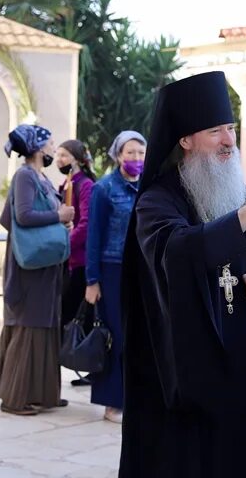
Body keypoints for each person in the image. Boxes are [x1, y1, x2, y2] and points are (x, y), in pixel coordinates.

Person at [119, 71, 246, 478]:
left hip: (239, 356)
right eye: (215, 130)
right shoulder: (156, 200)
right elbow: (179, 253)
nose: (229, 140)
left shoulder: (239, 193)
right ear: (185, 139)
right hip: (185, 368)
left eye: (231, 128)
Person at [0, 124, 75, 416]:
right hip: (30, 268)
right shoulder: (25, 175)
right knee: (30, 324)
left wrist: (60, 221)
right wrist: (58, 215)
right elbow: (22, 216)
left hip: (43, 266)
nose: (53, 148)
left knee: (44, 323)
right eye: (49, 143)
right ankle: (15, 397)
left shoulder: (39, 176)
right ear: (37, 148)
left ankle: (41, 393)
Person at [85, 130, 146, 424]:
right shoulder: (104, 188)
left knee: (136, 336)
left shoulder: (149, 186)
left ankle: (133, 397)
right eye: (130, 152)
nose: (136, 158)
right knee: (114, 335)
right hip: (112, 270)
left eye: (140, 153)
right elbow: (93, 237)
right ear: (119, 155)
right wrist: (92, 280)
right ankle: (111, 402)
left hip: (141, 269)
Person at [55, 139, 97, 386]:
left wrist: (65, 243)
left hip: (79, 261)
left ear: (78, 159)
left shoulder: (86, 185)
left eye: (64, 155)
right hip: (65, 258)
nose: (60, 160)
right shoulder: (65, 184)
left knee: (80, 316)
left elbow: (86, 223)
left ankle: (91, 364)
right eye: (58, 155)